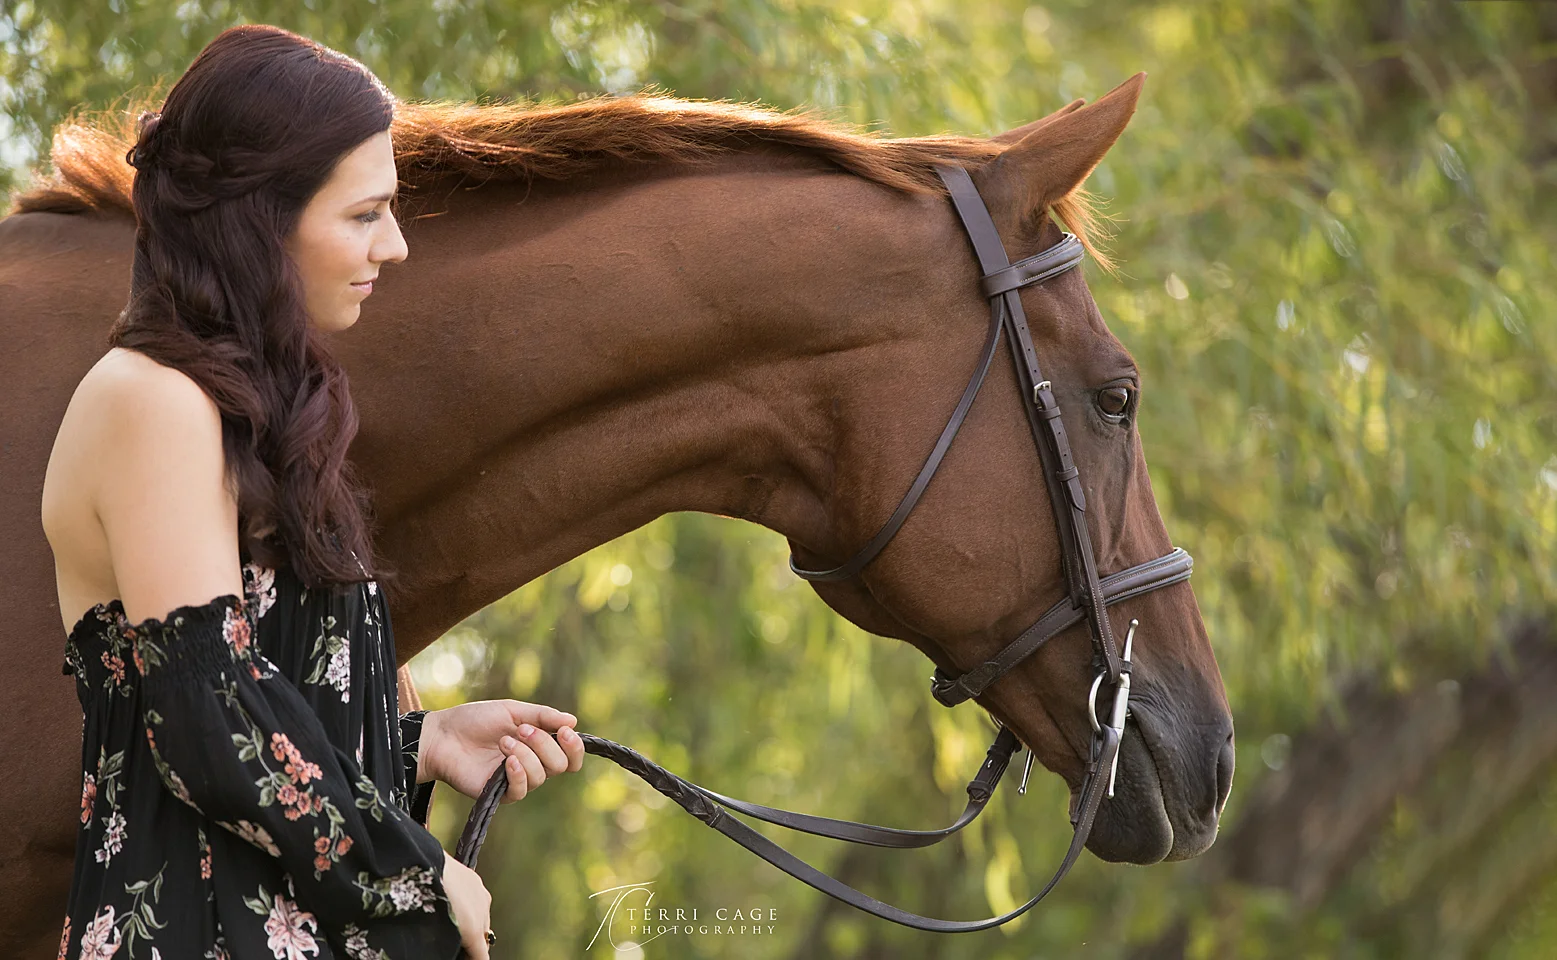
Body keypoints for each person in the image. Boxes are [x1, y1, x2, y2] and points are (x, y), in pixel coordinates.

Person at [40, 24, 584, 959]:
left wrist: (418, 740)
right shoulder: (150, 401)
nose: (396, 246)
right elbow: (208, 722)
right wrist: (414, 873)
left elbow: (254, 701)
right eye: (366, 214)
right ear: (261, 220)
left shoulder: (234, 411)